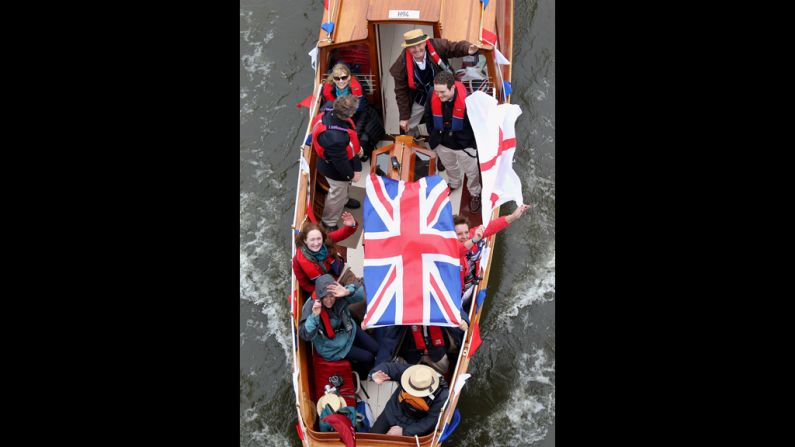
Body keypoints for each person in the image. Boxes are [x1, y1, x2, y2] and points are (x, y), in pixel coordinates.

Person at [389, 29, 478, 136]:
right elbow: (401, 92)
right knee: (407, 126)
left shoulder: (436, 46)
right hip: (421, 97)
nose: (417, 49)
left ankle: (450, 137)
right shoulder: (401, 64)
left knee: (454, 115)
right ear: (407, 48)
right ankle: (414, 143)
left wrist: (468, 48)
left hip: (443, 92)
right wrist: (404, 118)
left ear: (425, 43)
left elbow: (453, 47)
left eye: (419, 45)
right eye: (412, 47)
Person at [455, 203, 532, 311]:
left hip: (471, 284)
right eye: (459, 234)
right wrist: (473, 240)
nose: (464, 236)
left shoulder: (473, 235)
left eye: (466, 232)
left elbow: (492, 226)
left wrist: (513, 216)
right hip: (456, 293)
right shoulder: (450, 248)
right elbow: (459, 250)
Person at [424, 70, 482, 211]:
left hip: (464, 145)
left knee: (472, 172)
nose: (439, 95)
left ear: (453, 87)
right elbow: (428, 116)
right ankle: (454, 183)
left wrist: (473, 146)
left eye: (442, 92)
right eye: (437, 92)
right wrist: (433, 134)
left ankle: (475, 193)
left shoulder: (469, 102)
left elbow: (477, 125)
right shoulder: (432, 93)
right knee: (450, 166)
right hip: (442, 142)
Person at [299, 274, 379, 366]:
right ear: (320, 296)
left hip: (349, 330)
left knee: (376, 348)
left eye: (331, 296)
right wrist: (314, 316)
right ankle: (363, 373)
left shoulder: (339, 294)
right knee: (368, 357)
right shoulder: (311, 307)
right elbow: (305, 335)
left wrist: (347, 291)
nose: (329, 301)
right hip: (334, 347)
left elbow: (361, 294)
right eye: (325, 297)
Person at [312, 95, 364, 229]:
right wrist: (351, 175)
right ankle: (328, 221)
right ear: (350, 114)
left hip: (339, 161)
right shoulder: (335, 138)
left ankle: (345, 200)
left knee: (343, 191)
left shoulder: (329, 107)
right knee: (336, 195)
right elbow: (340, 163)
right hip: (334, 171)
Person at [319, 64, 385, 162]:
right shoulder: (330, 90)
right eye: (337, 78)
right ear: (333, 79)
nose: (341, 81)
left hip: (359, 115)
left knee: (364, 137)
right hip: (342, 118)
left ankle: (364, 154)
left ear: (349, 77)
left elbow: (363, 112)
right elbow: (329, 110)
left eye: (344, 77)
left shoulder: (356, 88)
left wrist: (356, 133)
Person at [367, 363, 449, 436]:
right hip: (393, 411)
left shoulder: (441, 395)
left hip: (414, 423)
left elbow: (430, 421)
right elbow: (389, 367)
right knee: (371, 438)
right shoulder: (409, 373)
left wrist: (404, 431)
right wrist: (375, 374)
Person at [292, 212, 358, 295]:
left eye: (318, 239)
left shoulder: (327, 241)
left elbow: (342, 233)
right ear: (305, 240)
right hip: (325, 290)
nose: (316, 243)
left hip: (342, 274)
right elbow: (305, 285)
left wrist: (352, 225)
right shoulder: (297, 260)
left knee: (360, 293)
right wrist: (322, 292)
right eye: (312, 240)